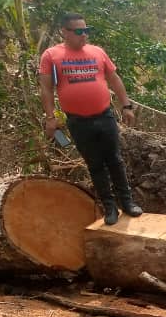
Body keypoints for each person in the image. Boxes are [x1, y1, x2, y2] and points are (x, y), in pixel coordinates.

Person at [39, 12, 142, 225]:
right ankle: (109, 207)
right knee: (95, 164)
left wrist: (126, 106)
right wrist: (50, 118)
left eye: (86, 30)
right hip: (78, 121)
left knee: (115, 159)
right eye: (78, 31)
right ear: (64, 32)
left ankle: (127, 202)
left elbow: (114, 79)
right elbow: (47, 89)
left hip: (105, 116)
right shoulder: (51, 56)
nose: (84, 35)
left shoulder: (97, 52)